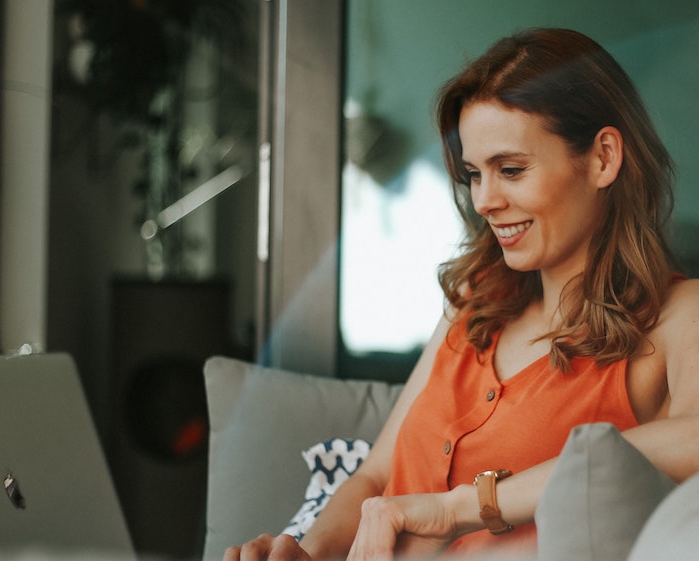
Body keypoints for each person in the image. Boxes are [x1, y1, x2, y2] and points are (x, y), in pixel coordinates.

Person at [224, 28, 699, 561]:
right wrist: (305, 553)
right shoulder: (476, 299)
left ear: (603, 158)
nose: (485, 201)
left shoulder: (678, 318)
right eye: (474, 174)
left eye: (511, 170)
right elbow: (379, 473)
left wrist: (465, 507)